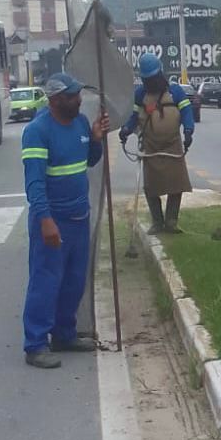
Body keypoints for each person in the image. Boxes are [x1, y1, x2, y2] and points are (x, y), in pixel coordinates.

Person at [21, 72, 111, 370]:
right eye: (73, 96)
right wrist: (46, 220)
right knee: (46, 281)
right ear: (56, 99)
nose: (79, 99)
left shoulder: (81, 124)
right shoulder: (37, 131)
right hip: (53, 219)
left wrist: (97, 139)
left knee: (74, 281)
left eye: (78, 94)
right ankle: (35, 344)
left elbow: (90, 160)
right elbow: (35, 183)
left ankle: (64, 334)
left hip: (78, 216)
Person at [119, 52, 194, 234]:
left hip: (173, 146)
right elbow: (134, 117)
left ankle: (171, 221)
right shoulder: (140, 95)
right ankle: (157, 222)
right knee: (151, 187)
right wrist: (126, 130)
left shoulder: (175, 92)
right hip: (150, 147)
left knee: (177, 185)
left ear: (160, 74)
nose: (151, 82)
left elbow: (187, 113)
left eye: (153, 78)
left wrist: (188, 131)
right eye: (148, 79)